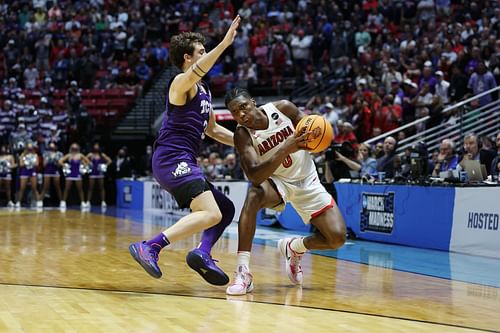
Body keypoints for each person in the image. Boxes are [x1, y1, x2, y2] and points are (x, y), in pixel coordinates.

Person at [128, 16, 241, 286]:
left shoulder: (204, 91)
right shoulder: (180, 83)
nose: (205, 54)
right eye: (201, 52)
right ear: (188, 58)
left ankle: (202, 252)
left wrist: (248, 142)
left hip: (184, 159)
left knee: (224, 208)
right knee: (212, 213)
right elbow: (197, 72)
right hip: (170, 158)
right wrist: (224, 44)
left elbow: (213, 130)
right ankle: (151, 247)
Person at [224, 88, 346, 295]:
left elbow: (313, 132)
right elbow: (255, 176)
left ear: (253, 102)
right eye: (235, 112)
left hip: (308, 180)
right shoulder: (242, 135)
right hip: (278, 182)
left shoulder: (283, 109)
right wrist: (285, 148)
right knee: (254, 194)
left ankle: (295, 247)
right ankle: (243, 271)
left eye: (243, 106)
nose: (241, 114)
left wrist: (320, 139)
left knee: (337, 238)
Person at [58, 143, 91, 209]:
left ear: (78, 148)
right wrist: (65, 165)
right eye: (73, 148)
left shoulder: (80, 155)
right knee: (66, 189)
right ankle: (63, 202)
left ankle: (82, 202)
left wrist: (83, 165)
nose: (74, 149)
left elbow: (88, 162)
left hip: (77, 174)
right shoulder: (69, 155)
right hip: (70, 175)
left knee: (80, 189)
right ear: (71, 148)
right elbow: (60, 161)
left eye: (75, 148)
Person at [16, 143, 42, 209]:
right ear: (26, 148)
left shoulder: (35, 155)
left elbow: (37, 164)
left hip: (32, 172)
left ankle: (38, 201)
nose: (29, 150)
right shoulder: (22, 155)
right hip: (24, 172)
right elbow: (21, 164)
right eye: (28, 148)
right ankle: (18, 202)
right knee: (22, 188)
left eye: (31, 148)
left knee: (34, 188)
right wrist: (27, 162)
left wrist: (30, 162)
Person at [86, 142, 112, 208]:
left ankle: (103, 201)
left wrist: (104, 165)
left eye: (97, 145)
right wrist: (88, 164)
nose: (96, 146)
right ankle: (88, 202)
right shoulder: (90, 155)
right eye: (95, 145)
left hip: (100, 173)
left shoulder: (102, 155)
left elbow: (109, 160)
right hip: (92, 173)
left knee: (101, 187)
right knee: (90, 188)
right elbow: (83, 160)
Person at [41, 142, 64, 206]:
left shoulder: (59, 154)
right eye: (50, 147)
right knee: (45, 187)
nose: (52, 148)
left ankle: (62, 201)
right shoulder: (45, 153)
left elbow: (60, 164)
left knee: (57, 187)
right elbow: (44, 164)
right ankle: (40, 201)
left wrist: (56, 161)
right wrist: (48, 159)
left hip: (55, 171)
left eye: (53, 146)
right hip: (47, 171)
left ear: (56, 147)